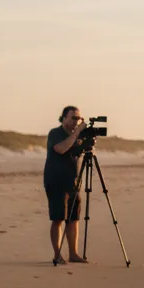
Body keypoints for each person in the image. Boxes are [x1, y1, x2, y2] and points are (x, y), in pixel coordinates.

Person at [44, 105, 88, 266]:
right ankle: (57, 254)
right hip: (56, 180)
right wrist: (76, 134)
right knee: (58, 218)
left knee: (73, 218)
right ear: (64, 118)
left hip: (73, 182)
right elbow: (61, 149)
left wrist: (86, 143)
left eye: (79, 118)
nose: (77, 121)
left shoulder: (77, 136)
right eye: (74, 118)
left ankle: (73, 254)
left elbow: (79, 152)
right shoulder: (55, 133)